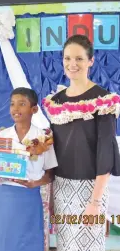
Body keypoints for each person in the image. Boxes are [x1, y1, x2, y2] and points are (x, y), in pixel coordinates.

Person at [42, 34, 120, 251]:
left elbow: (106, 151)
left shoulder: (103, 100)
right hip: (61, 188)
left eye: (78, 59)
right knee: (66, 246)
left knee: (89, 246)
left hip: (91, 189)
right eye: (67, 58)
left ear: (90, 61)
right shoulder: (55, 101)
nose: (72, 64)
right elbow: (54, 150)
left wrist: (95, 202)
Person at [0, 87, 58, 251]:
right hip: (5, 198)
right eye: (12, 104)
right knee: (3, 241)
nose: (15, 109)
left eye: (21, 104)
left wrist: (36, 183)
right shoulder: (1, 136)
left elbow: (51, 174)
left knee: (28, 241)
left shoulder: (44, 138)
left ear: (34, 109)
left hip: (29, 197)